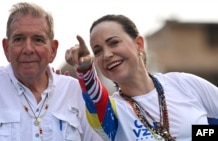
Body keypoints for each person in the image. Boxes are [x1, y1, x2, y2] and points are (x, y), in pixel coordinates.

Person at [65, 14, 218, 141]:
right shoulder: (113, 111)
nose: (107, 54)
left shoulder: (183, 83)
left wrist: (198, 133)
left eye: (114, 43)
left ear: (139, 44)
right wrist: (85, 70)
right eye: (97, 51)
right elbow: (96, 100)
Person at [0, 2, 103, 141]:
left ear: (53, 50)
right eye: (19, 39)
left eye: (38, 40)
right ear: (6, 48)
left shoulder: (75, 92)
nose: (28, 49)